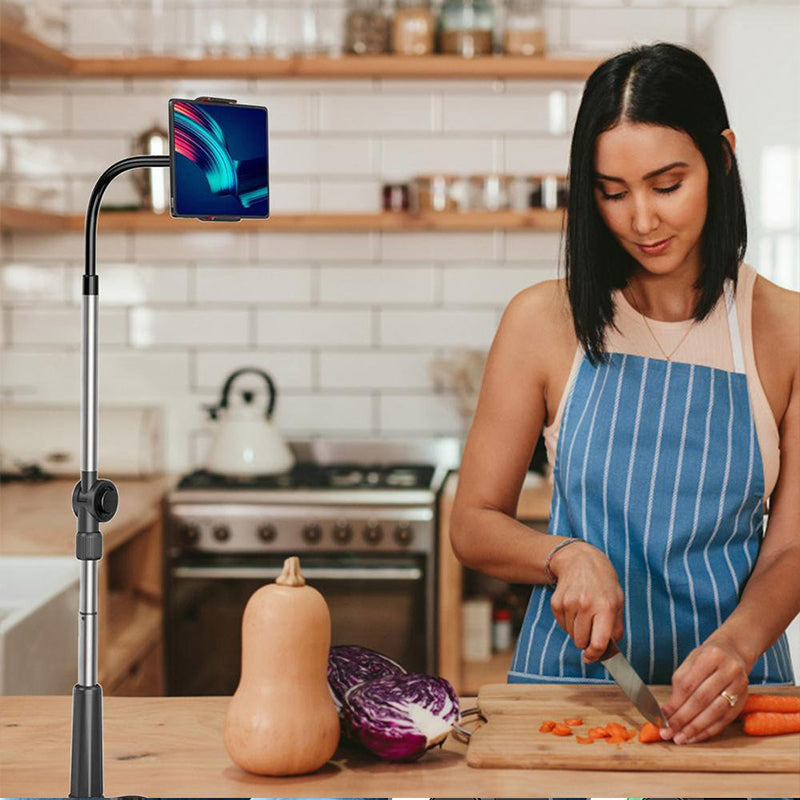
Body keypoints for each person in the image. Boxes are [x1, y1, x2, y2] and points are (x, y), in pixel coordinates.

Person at [450, 42, 799, 747]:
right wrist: (562, 556)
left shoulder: (786, 330)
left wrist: (736, 647)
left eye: (667, 184)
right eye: (613, 192)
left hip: (739, 702)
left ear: (721, 157)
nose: (641, 220)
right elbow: (474, 522)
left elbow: (791, 550)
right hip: (567, 698)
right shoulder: (542, 322)